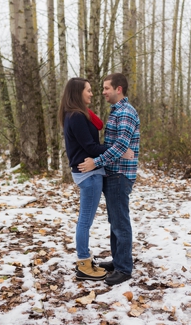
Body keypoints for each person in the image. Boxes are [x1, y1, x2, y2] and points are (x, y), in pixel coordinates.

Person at [78, 73, 141, 286]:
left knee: (120, 221)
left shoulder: (126, 112)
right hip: (113, 172)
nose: (103, 92)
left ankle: (124, 268)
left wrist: (96, 162)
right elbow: (117, 146)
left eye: (106, 88)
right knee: (115, 220)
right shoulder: (117, 111)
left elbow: (121, 146)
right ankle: (118, 260)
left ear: (118, 89)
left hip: (120, 174)